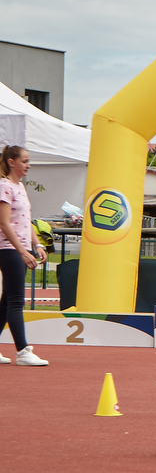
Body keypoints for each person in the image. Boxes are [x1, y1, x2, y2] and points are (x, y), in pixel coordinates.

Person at [0, 145, 48, 366]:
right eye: (25, 161)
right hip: (9, 249)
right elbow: (4, 223)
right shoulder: (4, 186)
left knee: (6, 301)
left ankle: (20, 350)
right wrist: (21, 251)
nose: (28, 165)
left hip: (21, 248)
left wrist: (37, 244)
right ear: (12, 162)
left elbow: (25, 220)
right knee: (16, 300)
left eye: (29, 161)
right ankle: (22, 351)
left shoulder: (20, 187)